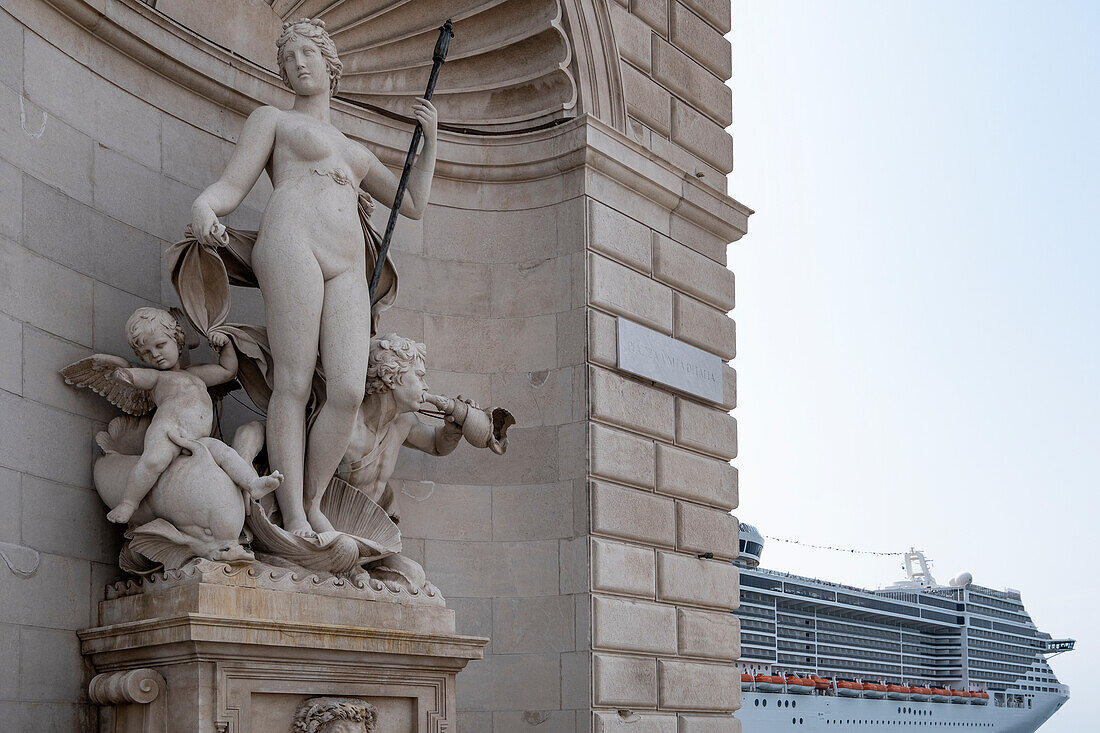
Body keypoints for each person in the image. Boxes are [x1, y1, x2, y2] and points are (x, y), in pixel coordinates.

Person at [188, 18, 439, 536]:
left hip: (346, 262)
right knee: (295, 381)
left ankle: (313, 498)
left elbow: (412, 203)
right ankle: (294, 514)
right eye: (289, 58)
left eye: (307, 53)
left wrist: (430, 141)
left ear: (330, 64)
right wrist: (204, 209)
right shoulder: (273, 120)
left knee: (347, 389)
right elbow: (230, 184)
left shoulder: (357, 151)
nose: (298, 63)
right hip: (291, 242)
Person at [75, 308, 282, 523]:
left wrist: (225, 344)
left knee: (226, 454)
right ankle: (128, 503)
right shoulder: (157, 378)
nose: (155, 354)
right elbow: (138, 378)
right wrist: (124, 374)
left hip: (198, 439)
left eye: (160, 345)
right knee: (153, 462)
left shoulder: (196, 374)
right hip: (168, 431)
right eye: (146, 353)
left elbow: (227, 371)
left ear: (177, 340)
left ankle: (252, 483)